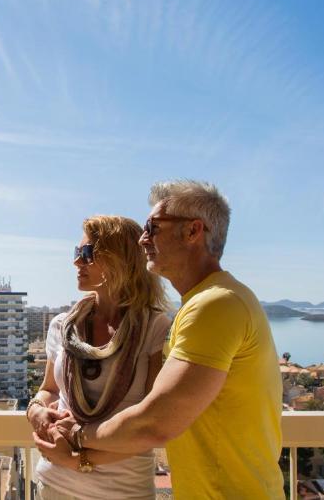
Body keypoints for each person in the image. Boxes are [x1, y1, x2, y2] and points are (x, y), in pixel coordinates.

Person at [49, 180, 284, 499]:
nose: (143, 239)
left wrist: (77, 437)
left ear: (192, 231)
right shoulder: (209, 301)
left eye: (153, 227)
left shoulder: (215, 304)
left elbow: (155, 422)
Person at [28, 215, 172, 500]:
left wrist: (79, 459)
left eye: (86, 254)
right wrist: (37, 412)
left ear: (119, 259)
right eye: (76, 254)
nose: (76, 262)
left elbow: (152, 421)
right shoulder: (62, 325)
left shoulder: (155, 328)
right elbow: (48, 390)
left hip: (123, 489)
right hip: (55, 484)